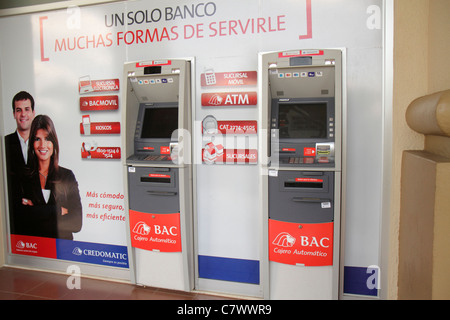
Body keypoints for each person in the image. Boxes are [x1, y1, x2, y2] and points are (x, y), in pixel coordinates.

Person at [15, 115, 83, 240]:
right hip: (33, 250)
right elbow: (19, 220)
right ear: (31, 143)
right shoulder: (23, 176)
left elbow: (76, 223)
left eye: (47, 139)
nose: (42, 145)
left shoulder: (67, 176)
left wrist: (35, 211)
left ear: (54, 142)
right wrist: (58, 211)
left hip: (63, 249)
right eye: (37, 139)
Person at [5, 91, 36, 235]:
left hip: (39, 221)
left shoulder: (44, 144)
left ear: (33, 112)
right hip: (13, 221)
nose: (23, 114)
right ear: (13, 114)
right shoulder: (4, 144)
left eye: (26, 109)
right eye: (19, 110)